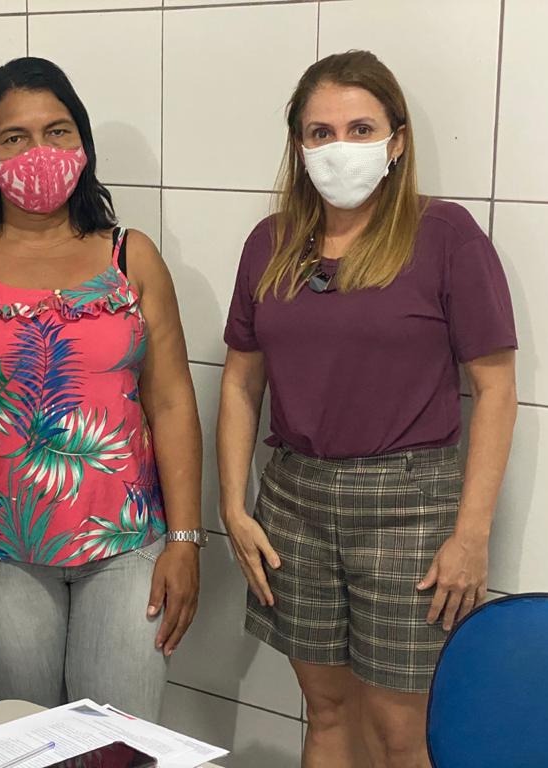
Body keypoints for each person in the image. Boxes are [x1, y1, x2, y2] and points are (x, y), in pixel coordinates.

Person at [217, 51, 517, 767]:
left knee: (399, 734)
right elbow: (240, 383)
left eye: (361, 129)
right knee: (325, 712)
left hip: (410, 506)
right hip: (294, 500)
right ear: (298, 145)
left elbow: (496, 389)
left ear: (397, 140)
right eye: (320, 132)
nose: (339, 147)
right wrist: (233, 505)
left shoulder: (445, 236)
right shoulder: (271, 244)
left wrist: (471, 535)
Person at [0, 57, 203, 721]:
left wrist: (185, 539)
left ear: (83, 143)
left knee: (118, 749)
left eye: (58, 131)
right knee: (26, 747)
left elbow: (172, 402)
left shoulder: (131, 257)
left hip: (129, 547)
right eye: (15, 137)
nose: (40, 151)